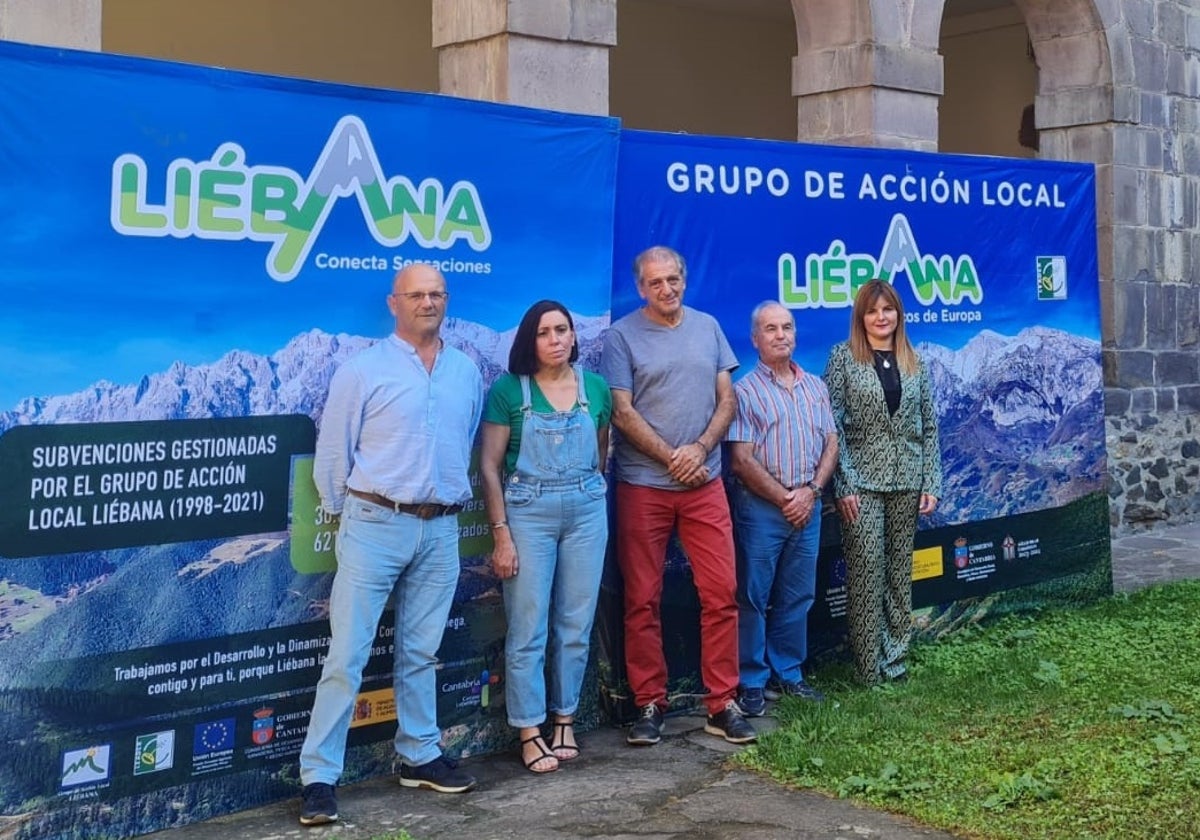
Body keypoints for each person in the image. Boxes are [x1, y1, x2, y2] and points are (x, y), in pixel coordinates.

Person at [297, 264, 484, 826]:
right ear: (393, 303)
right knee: (347, 655)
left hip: (441, 527)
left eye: (436, 294)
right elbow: (333, 455)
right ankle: (319, 776)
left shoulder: (465, 371)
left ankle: (420, 754)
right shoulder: (362, 370)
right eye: (416, 295)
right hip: (376, 523)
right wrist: (353, 513)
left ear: (446, 301)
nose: (428, 303)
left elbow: (465, 436)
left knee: (422, 651)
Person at [601, 245, 756, 746]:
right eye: (655, 282)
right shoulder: (621, 336)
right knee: (642, 599)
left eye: (673, 279)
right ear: (641, 287)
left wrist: (701, 449)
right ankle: (648, 702)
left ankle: (723, 703)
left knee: (721, 593)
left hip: (706, 482)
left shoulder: (708, 327)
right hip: (644, 485)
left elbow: (726, 397)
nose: (665, 289)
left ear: (684, 279)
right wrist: (673, 457)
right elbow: (621, 412)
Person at [479, 300, 611, 775]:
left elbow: (600, 453)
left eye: (563, 330)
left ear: (575, 337)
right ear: (529, 341)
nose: (556, 339)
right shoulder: (508, 393)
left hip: (587, 508)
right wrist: (501, 535)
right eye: (544, 332)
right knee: (528, 625)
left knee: (575, 623)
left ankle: (564, 719)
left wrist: (587, 491)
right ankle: (530, 730)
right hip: (528, 513)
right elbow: (490, 468)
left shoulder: (594, 388)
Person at [823, 279, 942, 686]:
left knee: (898, 575)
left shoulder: (914, 361)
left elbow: (929, 427)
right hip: (861, 486)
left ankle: (896, 662)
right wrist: (844, 483)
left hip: (907, 480)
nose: (880, 317)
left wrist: (932, 480)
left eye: (887, 309)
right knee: (865, 575)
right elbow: (831, 426)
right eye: (872, 311)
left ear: (898, 314)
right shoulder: (842, 358)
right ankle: (869, 670)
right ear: (861, 317)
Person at [727, 301, 838, 716]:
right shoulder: (744, 391)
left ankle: (788, 674)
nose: (780, 335)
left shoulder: (815, 387)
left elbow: (831, 443)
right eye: (770, 329)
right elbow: (740, 460)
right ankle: (751, 681)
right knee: (753, 597)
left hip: (808, 504)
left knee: (798, 595)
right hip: (762, 511)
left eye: (787, 327)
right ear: (755, 339)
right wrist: (784, 498)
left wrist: (810, 491)